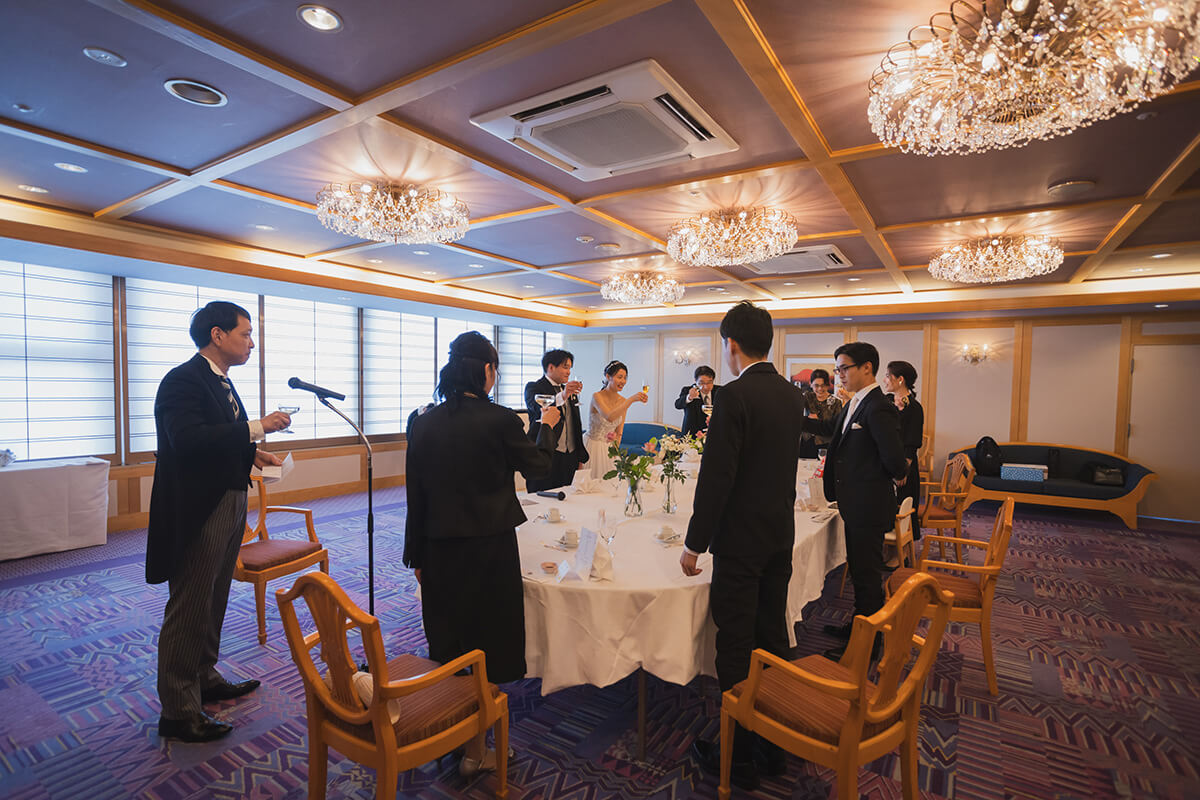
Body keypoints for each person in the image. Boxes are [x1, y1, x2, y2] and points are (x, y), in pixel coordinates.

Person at [403, 331, 560, 775]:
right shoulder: (500, 420)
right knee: (486, 646)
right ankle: (476, 748)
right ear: (487, 371)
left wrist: (415, 555)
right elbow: (540, 470)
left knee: (450, 643)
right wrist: (547, 425)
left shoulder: (425, 422)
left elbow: (415, 493)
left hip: (436, 549)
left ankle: (455, 735)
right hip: (487, 550)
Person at [146, 301, 291, 742]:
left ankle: (203, 676)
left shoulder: (221, 382)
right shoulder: (183, 381)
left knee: (214, 596)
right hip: (198, 507)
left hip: (229, 500)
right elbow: (187, 441)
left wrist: (253, 453)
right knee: (191, 601)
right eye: (245, 334)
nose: (251, 342)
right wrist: (256, 428)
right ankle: (178, 709)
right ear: (217, 335)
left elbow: (218, 440)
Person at [680, 302, 806, 790]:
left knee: (735, 644)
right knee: (772, 637)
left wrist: (695, 543)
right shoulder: (790, 395)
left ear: (731, 346)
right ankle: (772, 745)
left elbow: (718, 478)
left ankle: (739, 757)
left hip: (740, 542)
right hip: (778, 533)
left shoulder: (734, 396)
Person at [820, 342, 908, 662]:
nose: (839, 375)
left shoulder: (877, 406)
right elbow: (834, 433)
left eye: (844, 368)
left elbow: (896, 461)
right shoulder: (856, 402)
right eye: (837, 369)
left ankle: (869, 645)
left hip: (868, 505)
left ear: (867, 368)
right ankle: (860, 626)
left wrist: (868, 478)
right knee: (859, 571)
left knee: (867, 575)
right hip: (855, 503)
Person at [524, 349, 588, 491]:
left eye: (570, 368)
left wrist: (578, 456)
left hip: (570, 456)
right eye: (565, 367)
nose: (569, 372)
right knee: (543, 498)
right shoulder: (533, 387)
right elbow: (537, 407)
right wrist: (563, 395)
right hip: (546, 454)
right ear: (551, 367)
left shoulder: (569, 392)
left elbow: (576, 424)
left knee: (567, 499)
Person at [882, 360, 924, 543]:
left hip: (903, 466)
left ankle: (900, 553)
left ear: (900, 379)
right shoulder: (886, 403)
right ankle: (887, 547)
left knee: (903, 508)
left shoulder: (914, 408)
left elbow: (912, 443)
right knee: (885, 508)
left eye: (887, 376)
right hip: (884, 463)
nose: (884, 380)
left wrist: (902, 470)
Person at [584, 360, 648, 480]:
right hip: (593, 447)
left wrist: (615, 452)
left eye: (625, 378)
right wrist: (631, 400)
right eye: (619, 377)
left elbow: (619, 432)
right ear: (608, 377)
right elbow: (609, 417)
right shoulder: (597, 396)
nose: (623, 381)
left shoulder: (623, 401)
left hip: (609, 450)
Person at [799, 367, 842, 459]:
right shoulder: (807, 397)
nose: (820, 389)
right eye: (816, 385)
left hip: (825, 444)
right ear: (810, 384)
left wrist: (816, 420)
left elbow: (836, 426)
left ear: (827, 385)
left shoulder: (835, 402)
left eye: (823, 385)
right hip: (807, 442)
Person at [673, 365, 720, 436]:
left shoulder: (719, 391)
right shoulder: (688, 390)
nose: (706, 387)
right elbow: (677, 405)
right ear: (695, 380)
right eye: (701, 383)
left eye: (709, 382)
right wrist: (689, 397)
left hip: (714, 433)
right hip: (692, 434)